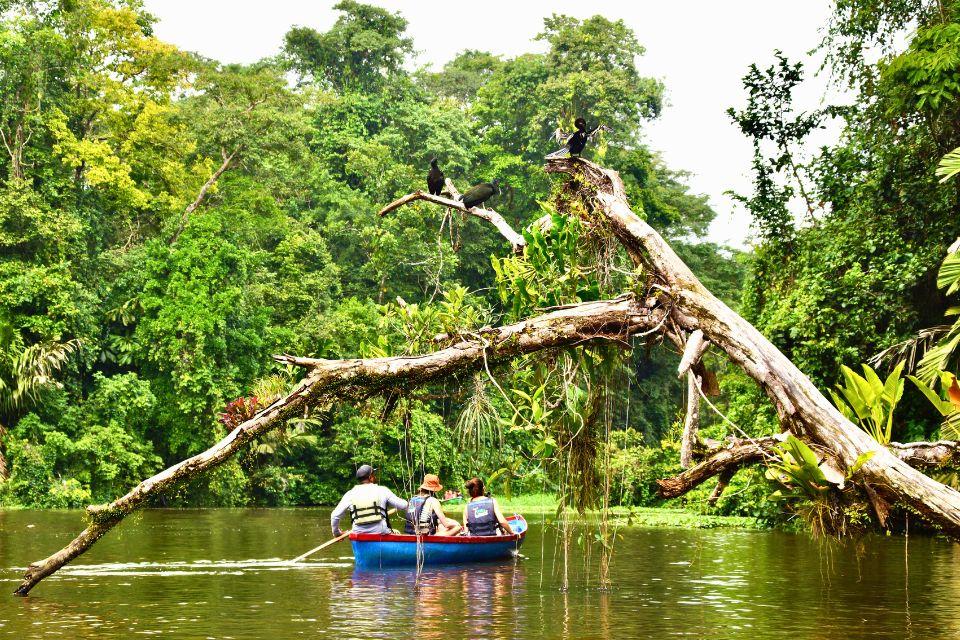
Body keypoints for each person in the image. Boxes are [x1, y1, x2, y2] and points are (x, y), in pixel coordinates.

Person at [331, 464, 407, 536]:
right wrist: (409, 502)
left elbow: (335, 516)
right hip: (381, 531)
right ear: (370, 477)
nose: (375, 477)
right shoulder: (383, 490)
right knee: (396, 532)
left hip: (358, 532)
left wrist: (337, 533)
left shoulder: (349, 494)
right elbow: (403, 505)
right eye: (374, 475)